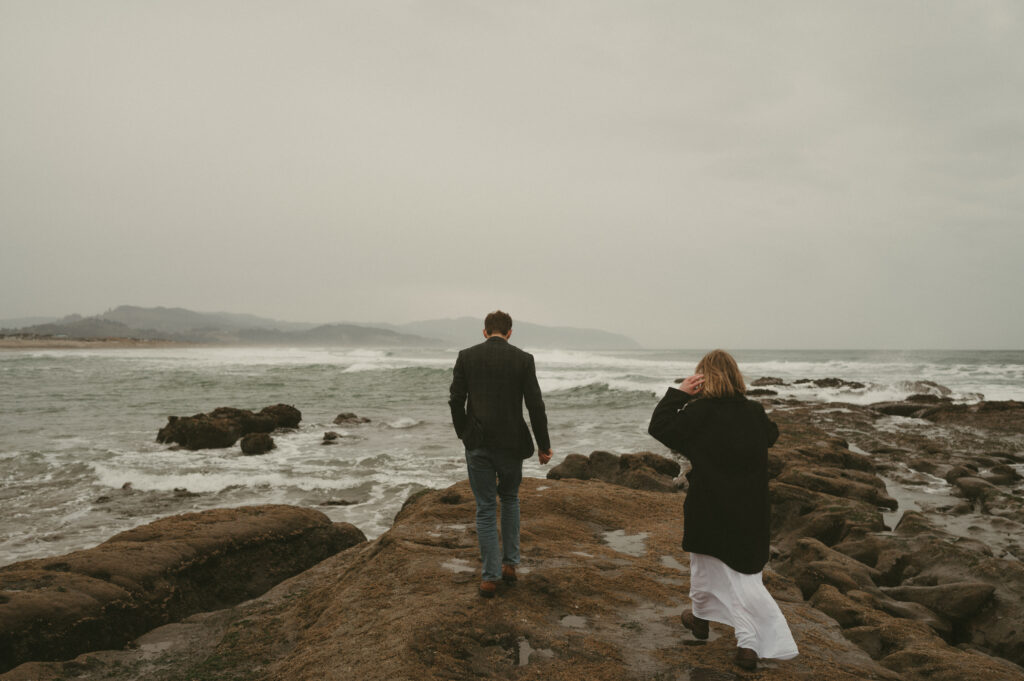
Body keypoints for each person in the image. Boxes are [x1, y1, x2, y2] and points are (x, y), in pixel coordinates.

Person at [648, 349, 798, 671]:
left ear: (703, 380)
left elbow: (659, 426)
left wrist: (678, 394)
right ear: (735, 376)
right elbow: (772, 434)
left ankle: (749, 643)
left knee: (709, 567)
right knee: (737, 573)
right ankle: (704, 622)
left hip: (709, 506)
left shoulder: (698, 414)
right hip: (750, 508)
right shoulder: (754, 412)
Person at [449, 310, 553, 598]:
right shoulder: (523, 359)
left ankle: (490, 577)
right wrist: (544, 446)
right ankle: (510, 565)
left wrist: (464, 433)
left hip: (478, 443)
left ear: (485, 332)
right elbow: (536, 405)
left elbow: (456, 400)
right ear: (509, 333)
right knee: (509, 499)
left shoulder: (466, 356)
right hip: (511, 443)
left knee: (484, 508)